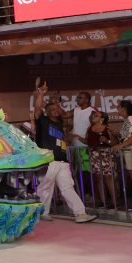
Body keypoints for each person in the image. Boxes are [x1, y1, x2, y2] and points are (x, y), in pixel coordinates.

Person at [32, 80, 96, 222]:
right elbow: (37, 109)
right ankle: (42, 212)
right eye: (53, 109)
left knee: (68, 187)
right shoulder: (43, 121)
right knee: (45, 188)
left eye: (57, 108)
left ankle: (80, 214)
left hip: (62, 161)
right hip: (47, 160)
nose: (56, 110)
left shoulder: (60, 123)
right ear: (47, 112)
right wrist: (41, 94)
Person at [85, 109, 117, 210]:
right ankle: (103, 202)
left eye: (96, 115)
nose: (94, 116)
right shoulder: (89, 129)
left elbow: (115, 143)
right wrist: (76, 137)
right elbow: (87, 141)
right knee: (98, 178)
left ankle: (114, 202)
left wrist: (106, 140)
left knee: (108, 178)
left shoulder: (107, 129)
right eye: (94, 115)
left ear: (102, 119)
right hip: (94, 155)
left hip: (106, 154)